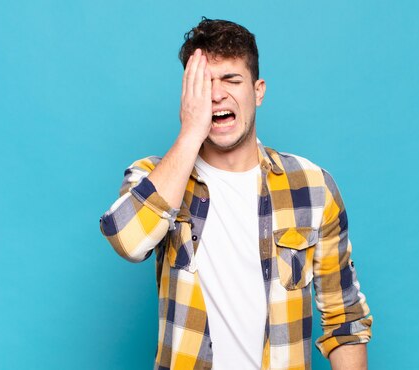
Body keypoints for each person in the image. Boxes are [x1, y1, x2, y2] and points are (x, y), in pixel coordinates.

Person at [99, 17, 372, 370]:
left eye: (230, 79)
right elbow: (127, 241)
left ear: (258, 91)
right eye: (204, 84)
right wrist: (190, 133)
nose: (216, 94)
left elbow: (345, 320)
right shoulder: (155, 176)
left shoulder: (313, 186)